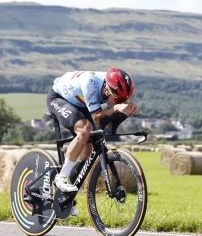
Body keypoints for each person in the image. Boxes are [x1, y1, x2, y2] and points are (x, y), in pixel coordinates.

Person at [46, 68, 139, 215]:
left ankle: (65, 196)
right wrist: (116, 107)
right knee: (84, 130)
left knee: (87, 151)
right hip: (58, 98)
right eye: (117, 98)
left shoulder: (114, 90)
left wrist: (127, 109)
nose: (120, 101)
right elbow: (97, 117)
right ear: (108, 90)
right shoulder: (91, 83)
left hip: (81, 105)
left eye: (124, 98)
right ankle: (61, 178)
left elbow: (108, 122)